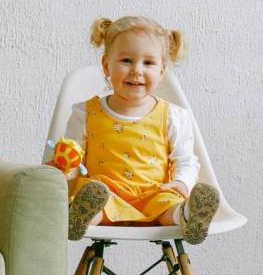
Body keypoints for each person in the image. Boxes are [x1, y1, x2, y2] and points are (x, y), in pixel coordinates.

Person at [49, 16, 219, 244]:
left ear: (161, 72)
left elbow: (186, 160)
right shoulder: (85, 113)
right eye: (127, 60)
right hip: (105, 192)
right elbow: (72, 156)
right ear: (107, 66)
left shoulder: (174, 116)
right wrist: (61, 169)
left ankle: (189, 216)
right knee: (93, 194)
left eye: (148, 63)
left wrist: (181, 183)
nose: (137, 70)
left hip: (153, 193)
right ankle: (81, 216)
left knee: (169, 204)